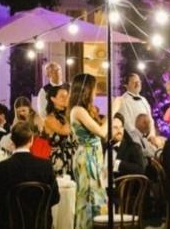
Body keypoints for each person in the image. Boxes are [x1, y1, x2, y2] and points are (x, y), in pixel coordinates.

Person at [0, 121, 60, 229]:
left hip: (9, 224)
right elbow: (55, 198)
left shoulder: (0, 167)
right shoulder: (46, 166)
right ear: (31, 140)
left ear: (12, 141)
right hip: (39, 224)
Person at [68, 73, 108, 229]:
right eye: (94, 88)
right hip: (87, 158)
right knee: (89, 198)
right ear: (86, 89)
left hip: (93, 156)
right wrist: (113, 111)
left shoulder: (83, 110)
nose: (96, 92)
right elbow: (101, 132)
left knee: (95, 196)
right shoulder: (78, 110)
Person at [40, 83, 75, 177]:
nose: (66, 98)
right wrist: (71, 110)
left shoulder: (66, 115)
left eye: (67, 96)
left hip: (72, 156)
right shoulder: (49, 118)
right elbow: (64, 131)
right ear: (53, 99)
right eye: (62, 96)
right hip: (59, 159)